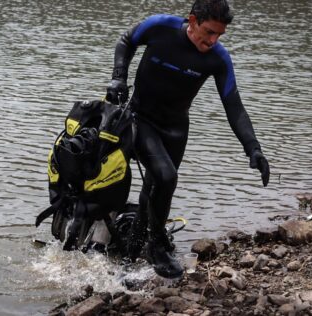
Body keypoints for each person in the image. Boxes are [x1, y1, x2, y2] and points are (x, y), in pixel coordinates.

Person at [105, 0, 270, 278]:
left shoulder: (218, 58)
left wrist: (253, 148)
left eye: (220, 35)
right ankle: (157, 247)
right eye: (209, 32)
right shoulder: (160, 27)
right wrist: (118, 78)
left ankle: (131, 256)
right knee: (166, 177)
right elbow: (126, 40)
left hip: (175, 129)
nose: (213, 40)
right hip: (139, 118)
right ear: (192, 20)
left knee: (155, 189)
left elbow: (234, 105)